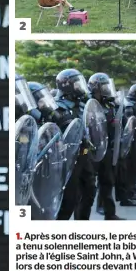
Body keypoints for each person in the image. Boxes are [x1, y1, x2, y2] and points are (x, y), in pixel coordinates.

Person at [52, 69, 94, 220]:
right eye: (77, 84)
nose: (80, 87)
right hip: (66, 159)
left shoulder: (81, 105)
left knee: (89, 191)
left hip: (83, 153)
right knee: (69, 200)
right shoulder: (57, 108)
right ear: (67, 86)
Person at [88, 73, 124, 220]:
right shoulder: (88, 104)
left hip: (107, 148)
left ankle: (110, 213)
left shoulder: (109, 104)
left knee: (108, 181)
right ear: (96, 88)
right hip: (91, 151)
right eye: (104, 86)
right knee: (88, 188)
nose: (107, 89)